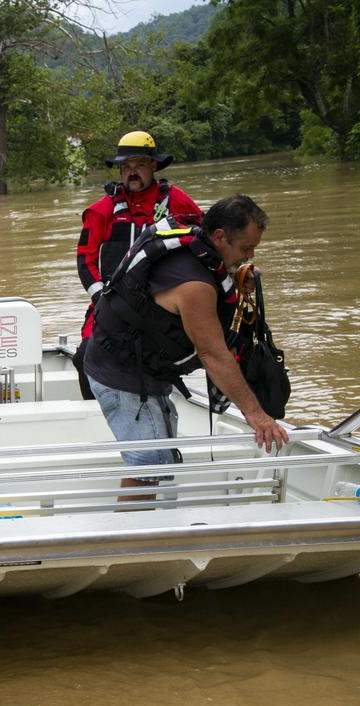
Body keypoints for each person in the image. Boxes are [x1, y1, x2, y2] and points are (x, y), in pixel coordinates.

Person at [84, 194, 290, 503]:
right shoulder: (195, 286)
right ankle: (129, 544)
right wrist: (256, 415)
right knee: (148, 467)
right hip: (122, 376)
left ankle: (148, 527)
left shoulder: (197, 243)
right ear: (219, 236)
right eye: (245, 249)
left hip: (133, 364)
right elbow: (213, 355)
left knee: (159, 460)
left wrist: (235, 276)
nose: (248, 257)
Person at [74, 131, 203, 399]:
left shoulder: (177, 201)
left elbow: (207, 241)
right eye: (126, 167)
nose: (132, 173)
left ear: (153, 166)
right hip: (110, 303)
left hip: (161, 304)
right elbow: (85, 259)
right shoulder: (102, 210)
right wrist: (100, 297)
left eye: (139, 165)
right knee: (85, 356)